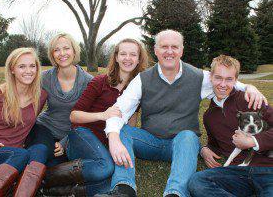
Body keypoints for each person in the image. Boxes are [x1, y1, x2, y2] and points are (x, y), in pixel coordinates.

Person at [94, 30, 267, 197]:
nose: (169, 51)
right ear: (156, 51)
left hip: (182, 145)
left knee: (188, 136)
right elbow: (120, 109)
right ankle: (124, 188)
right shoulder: (143, 79)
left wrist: (249, 87)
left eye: (175, 47)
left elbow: (225, 79)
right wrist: (114, 138)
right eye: (164, 47)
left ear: (182, 50)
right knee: (121, 130)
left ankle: (175, 193)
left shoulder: (198, 77)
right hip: (150, 142)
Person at [0, 33, 93, 196]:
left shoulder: (87, 82)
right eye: (56, 50)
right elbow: (15, 80)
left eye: (66, 48)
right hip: (36, 133)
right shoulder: (44, 78)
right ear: (52, 54)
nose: (62, 53)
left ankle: (28, 187)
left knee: (49, 164)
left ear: (74, 51)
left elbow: (89, 116)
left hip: (65, 135)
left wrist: (66, 141)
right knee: (32, 155)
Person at [41, 38, 148, 197]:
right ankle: (44, 177)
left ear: (139, 59)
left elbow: (129, 124)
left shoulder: (137, 90)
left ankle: (54, 191)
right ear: (116, 57)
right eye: (123, 54)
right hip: (81, 135)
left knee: (109, 181)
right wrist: (103, 115)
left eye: (133, 54)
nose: (127, 58)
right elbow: (74, 116)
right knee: (105, 167)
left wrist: (124, 144)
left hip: (103, 144)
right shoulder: (100, 81)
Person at [188, 55, 273, 197]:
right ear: (210, 78)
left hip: (268, 170)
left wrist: (253, 141)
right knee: (197, 182)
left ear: (235, 80)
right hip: (235, 174)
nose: (223, 84)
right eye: (218, 78)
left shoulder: (250, 99)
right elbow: (215, 145)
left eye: (229, 79)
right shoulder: (208, 116)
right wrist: (204, 150)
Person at [0, 48, 48, 197]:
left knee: (40, 151)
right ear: (12, 69)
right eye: (22, 66)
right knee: (22, 154)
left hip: (15, 157)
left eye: (32, 66)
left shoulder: (40, 96)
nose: (28, 71)